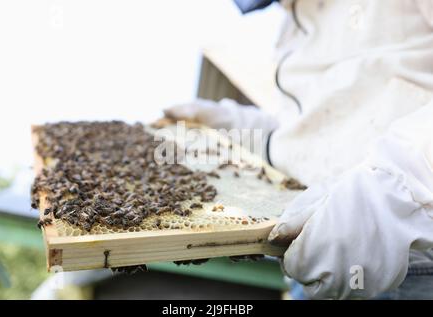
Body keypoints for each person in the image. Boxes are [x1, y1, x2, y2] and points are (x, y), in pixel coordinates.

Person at [164, 0, 433, 299]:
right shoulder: (290, 30)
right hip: (315, 263)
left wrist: (395, 195)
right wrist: (235, 127)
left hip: (412, 264)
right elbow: (303, 141)